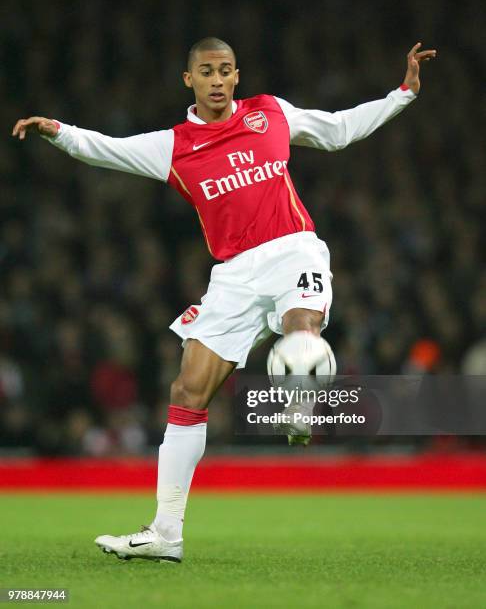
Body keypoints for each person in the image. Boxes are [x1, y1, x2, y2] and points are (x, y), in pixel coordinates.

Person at [12, 37, 436, 563]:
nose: (217, 79)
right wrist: (59, 132)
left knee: (302, 328)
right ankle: (166, 534)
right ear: (187, 79)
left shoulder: (270, 113)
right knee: (188, 389)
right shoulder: (174, 146)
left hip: (292, 249)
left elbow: (339, 130)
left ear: (237, 75)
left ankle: (301, 407)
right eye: (207, 71)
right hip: (233, 275)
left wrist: (403, 94)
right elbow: (110, 148)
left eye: (226, 70)